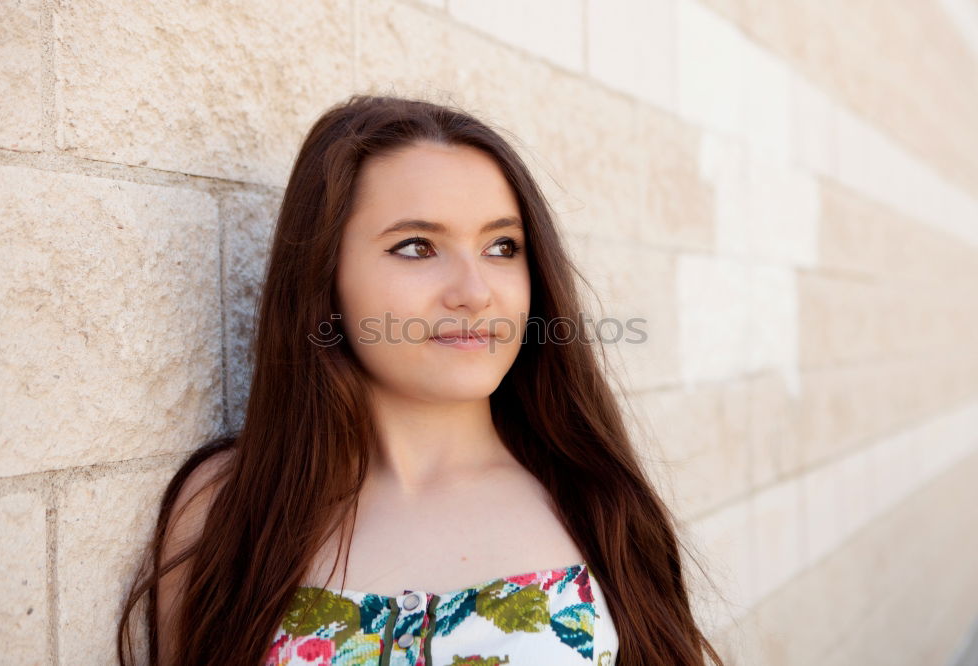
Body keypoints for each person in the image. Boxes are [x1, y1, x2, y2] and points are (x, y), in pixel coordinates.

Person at [117, 94, 725, 666]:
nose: (475, 292)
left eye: (503, 246)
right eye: (416, 247)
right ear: (324, 278)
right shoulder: (229, 505)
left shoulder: (593, 498)